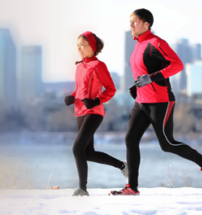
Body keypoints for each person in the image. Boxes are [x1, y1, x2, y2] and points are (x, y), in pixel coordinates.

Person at [110, 9, 202, 196]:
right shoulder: (137, 46)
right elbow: (144, 72)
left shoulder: (156, 43)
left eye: (135, 21)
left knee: (167, 143)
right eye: (130, 21)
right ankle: (132, 187)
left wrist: (151, 79)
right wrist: (138, 87)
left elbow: (177, 64)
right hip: (141, 101)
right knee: (130, 139)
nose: (131, 25)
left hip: (160, 101)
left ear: (146, 24)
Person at [64, 31, 128, 196]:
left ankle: (82, 189)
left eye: (83, 45)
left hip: (94, 111)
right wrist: (72, 97)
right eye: (77, 45)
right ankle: (122, 166)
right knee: (88, 153)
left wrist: (97, 100)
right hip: (79, 111)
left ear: (92, 46)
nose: (79, 48)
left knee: (77, 148)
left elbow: (111, 89)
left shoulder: (99, 66)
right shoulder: (79, 67)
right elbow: (79, 89)